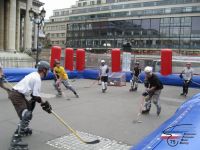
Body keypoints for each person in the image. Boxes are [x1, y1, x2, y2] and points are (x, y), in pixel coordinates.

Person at [8, 61, 52, 150]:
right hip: (17, 96)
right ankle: (15, 140)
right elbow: (36, 96)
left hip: (19, 94)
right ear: (44, 70)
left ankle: (23, 128)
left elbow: (33, 96)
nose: (48, 72)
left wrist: (42, 103)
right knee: (26, 114)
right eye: (47, 70)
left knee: (30, 107)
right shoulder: (37, 79)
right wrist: (44, 104)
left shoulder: (34, 74)